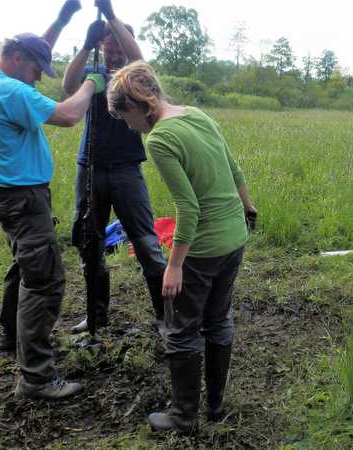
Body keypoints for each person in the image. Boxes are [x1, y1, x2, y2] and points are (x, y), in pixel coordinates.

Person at [106, 61, 257, 434]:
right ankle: (216, 406)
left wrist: (174, 265)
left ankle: (184, 416)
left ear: (138, 105)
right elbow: (235, 169)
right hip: (235, 236)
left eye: (124, 117)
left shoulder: (159, 138)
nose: (127, 126)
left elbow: (188, 209)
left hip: (204, 249)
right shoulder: (197, 115)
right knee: (219, 319)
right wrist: (248, 206)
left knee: (182, 329)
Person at [0, 0, 106, 400]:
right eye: (35, 72)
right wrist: (90, 83)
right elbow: (67, 115)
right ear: (15, 59)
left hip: (11, 196)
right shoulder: (10, 91)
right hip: (24, 200)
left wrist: (62, 21)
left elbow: (35, 51)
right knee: (44, 280)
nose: (37, 80)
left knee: (24, 269)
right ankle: (36, 378)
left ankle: (10, 339)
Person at [62, 0, 167, 335]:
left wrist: (110, 15)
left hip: (126, 170)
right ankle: (96, 315)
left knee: (147, 245)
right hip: (89, 167)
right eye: (107, 49)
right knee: (89, 244)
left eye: (116, 48)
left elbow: (139, 60)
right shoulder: (94, 75)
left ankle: (167, 318)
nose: (112, 55)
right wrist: (88, 45)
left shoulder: (134, 79)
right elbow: (68, 85)